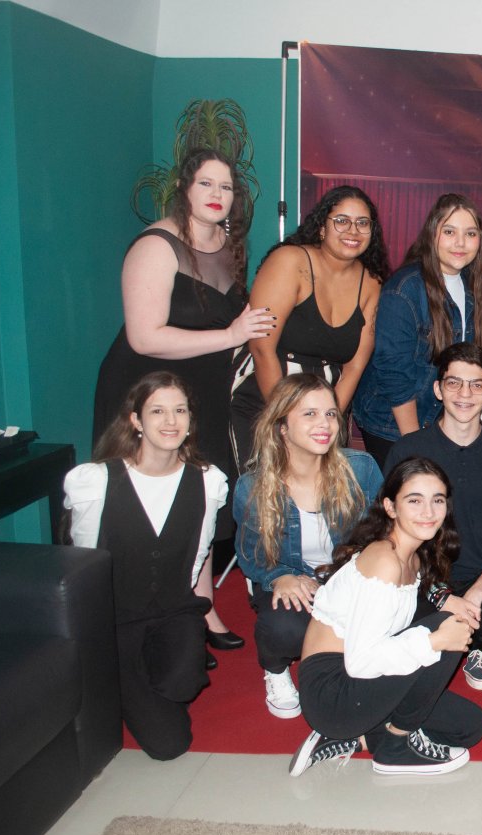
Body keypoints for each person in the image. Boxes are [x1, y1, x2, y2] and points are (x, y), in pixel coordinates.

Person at [93, 148, 275, 646]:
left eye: (226, 187)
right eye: (206, 184)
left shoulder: (228, 243)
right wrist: (231, 335)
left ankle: (202, 609)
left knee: (199, 494)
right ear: (184, 188)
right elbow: (143, 337)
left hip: (203, 392)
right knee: (144, 500)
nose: (217, 195)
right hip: (145, 390)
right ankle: (142, 617)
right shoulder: (156, 245)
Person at [289, 458, 482, 777]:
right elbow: (361, 662)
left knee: (468, 726)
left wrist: (444, 603)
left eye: (437, 500)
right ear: (391, 507)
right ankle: (396, 746)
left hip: (361, 684)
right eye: (414, 500)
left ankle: (355, 739)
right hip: (335, 693)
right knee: (448, 627)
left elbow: (416, 596)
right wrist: (434, 640)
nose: (429, 512)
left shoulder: (412, 556)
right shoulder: (384, 561)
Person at [66, 371, 228, 760]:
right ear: (136, 420)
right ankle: (115, 677)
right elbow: (85, 562)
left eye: (180, 410)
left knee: (184, 681)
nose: (171, 421)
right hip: (115, 619)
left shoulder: (208, 481)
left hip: (173, 611)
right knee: (170, 745)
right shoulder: (96, 481)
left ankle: (135, 681)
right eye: (157, 411)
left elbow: (196, 557)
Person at [234, 373, 383, 719]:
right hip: (293, 579)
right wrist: (278, 577)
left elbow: (383, 536)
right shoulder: (252, 487)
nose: (325, 424)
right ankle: (275, 668)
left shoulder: (360, 469)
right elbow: (251, 555)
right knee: (284, 628)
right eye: (310, 414)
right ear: (282, 426)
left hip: (348, 577)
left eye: (330, 414)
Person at [386, 342, 482, 690]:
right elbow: (391, 534)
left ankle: (472, 642)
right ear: (438, 389)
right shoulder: (408, 450)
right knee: (394, 626)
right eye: (454, 383)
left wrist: (475, 594)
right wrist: (441, 596)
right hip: (421, 577)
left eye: (476, 385)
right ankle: (452, 634)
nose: (465, 394)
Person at [231, 185, 388, 468]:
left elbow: (354, 367)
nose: (353, 230)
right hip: (266, 399)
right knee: (264, 492)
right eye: (341, 220)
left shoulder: (371, 283)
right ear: (322, 227)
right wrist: (287, 421)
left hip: (326, 407)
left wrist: (328, 421)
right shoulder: (290, 261)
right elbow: (262, 349)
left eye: (362, 223)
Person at [353, 193, 482, 467]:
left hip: (436, 423)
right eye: (449, 232)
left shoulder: (473, 285)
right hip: (392, 426)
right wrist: (416, 444)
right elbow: (394, 374)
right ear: (432, 234)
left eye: (470, 233)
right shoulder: (405, 289)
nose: (460, 242)